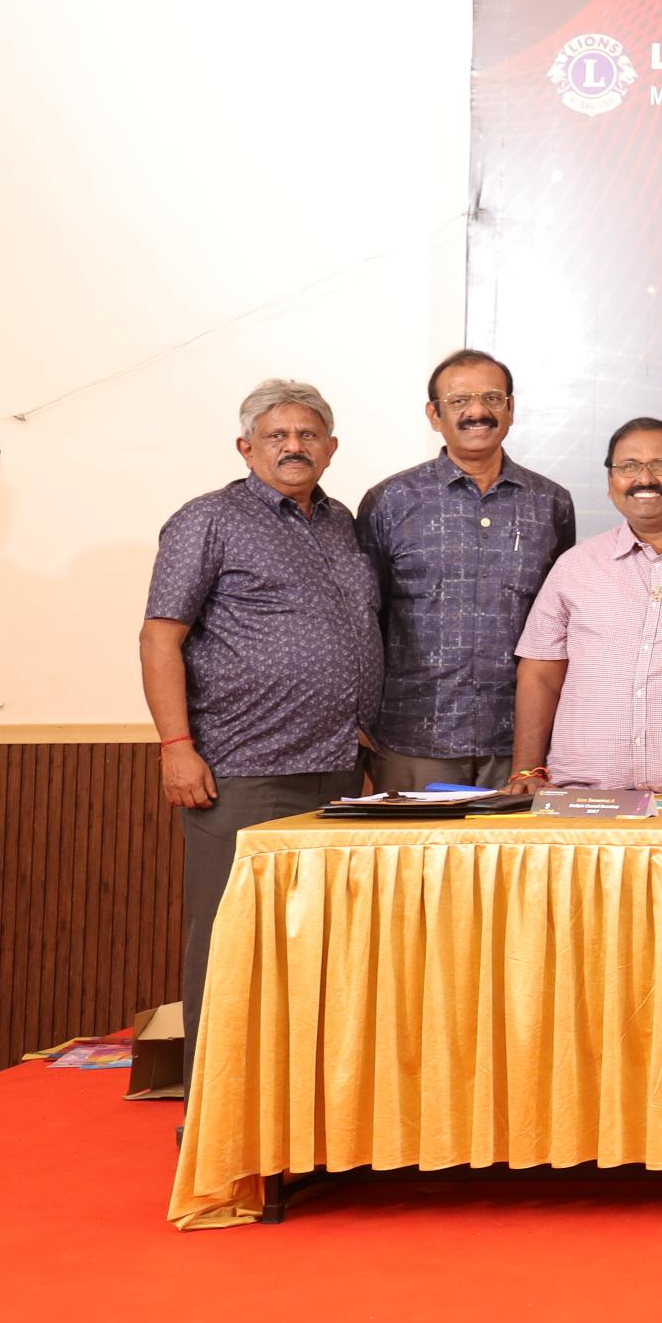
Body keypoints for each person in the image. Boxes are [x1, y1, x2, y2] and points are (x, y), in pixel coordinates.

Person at [140, 379, 383, 1058]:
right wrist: (176, 745)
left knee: (318, 940)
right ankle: (216, 1105)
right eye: (277, 435)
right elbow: (159, 637)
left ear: (331, 448)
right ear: (246, 448)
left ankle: (298, 1097)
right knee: (231, 937)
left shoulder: (341, 523)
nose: (293, 446)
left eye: (307, 435)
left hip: (338, 770)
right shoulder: (208, 519)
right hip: (241, 770)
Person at [354, 349, 575, 791]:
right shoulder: (390, 501)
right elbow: (363, 621)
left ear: (510, 408)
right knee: (416, 843)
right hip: (413, 737)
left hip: (520, 744)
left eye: (492, 398)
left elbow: (558, 626)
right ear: (434, 414)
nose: (477, 412)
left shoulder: (551, 503)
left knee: (515, 842)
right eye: (459, 401)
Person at [508, 418, 662, 791]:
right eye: (628, 467)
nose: (644, 479)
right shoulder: (575, 566)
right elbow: (540, 673)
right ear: (610, 481)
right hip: (582, 799)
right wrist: (526, 770)